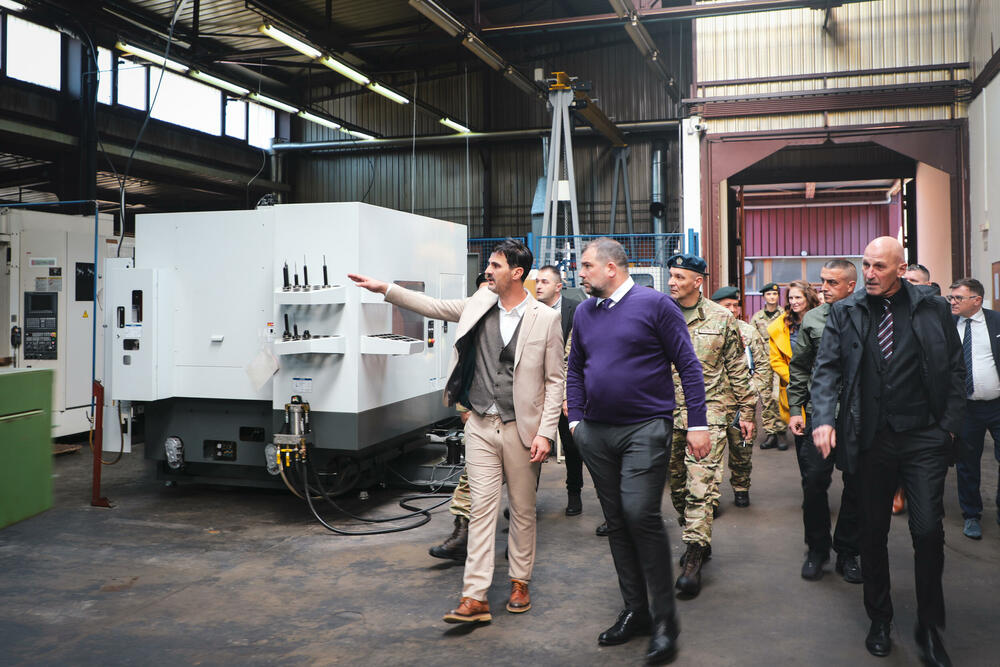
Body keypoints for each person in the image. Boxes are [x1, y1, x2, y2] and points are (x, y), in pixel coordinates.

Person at [348, 238, 565, 625]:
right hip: (480, 424)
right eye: (490, 265)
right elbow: (432, 306)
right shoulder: (479, 303)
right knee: (480, 509)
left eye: (496, 266)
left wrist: (545, 433)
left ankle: (520, 582)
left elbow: (555, 381)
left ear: (517, 273)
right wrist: (385, 289)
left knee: (522, 510)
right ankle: (475, 596)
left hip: (521, 429)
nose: (488, 271)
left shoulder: (545, 318)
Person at [811, 237, 964, 666]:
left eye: (879, 266)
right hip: (870, 438)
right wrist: (824, 417)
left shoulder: (933, 308)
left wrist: (949, 426)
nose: (870, 273)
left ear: (901, 267)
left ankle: (929, 628)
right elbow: (826, 369)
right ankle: (879, 618)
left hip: (923, 436)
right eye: (866, 265)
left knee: (928, 532)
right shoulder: (847, 311)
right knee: (871, 533)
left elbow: (955, 367)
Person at [567, 238, 707, 665]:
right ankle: (636, 610)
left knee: (640, 514)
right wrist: (576, 422)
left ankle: (665, 623)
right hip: (596, 433)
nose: (580, 273)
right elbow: (575, 369)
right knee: (616, 521)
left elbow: (688, 365)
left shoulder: (655, 306)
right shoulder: (584, 312)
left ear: (611, 268)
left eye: (587, 266)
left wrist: (698, 423)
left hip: (645, 428)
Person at [667, 257, 755, 597]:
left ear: (698, 282)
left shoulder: (721, 318)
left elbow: (737, 368)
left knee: (701, 486)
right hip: (666, 412)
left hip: (709, 412)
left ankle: (693, 556)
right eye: (671, 276)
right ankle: (698, 538)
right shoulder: (660, 314)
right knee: (678, 487)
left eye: (679, 276)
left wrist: (747, 412)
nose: (672, 282)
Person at [786, 260, 862, 583]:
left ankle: (847, 550)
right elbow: (801, 367)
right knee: (815, 482)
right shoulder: (814, 319)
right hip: (820, 413)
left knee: (857, 485)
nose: (824, 288)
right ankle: (817, 549)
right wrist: (795, 409)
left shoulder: (865, 315)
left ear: (851, 286)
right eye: (822, 281)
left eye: (832, 283)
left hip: (857, 416)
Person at [949, 278, 1000, 540]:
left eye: (958, 297)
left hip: (997, 405)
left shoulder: (996, 322)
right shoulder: (948, 325)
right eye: (951, 297)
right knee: (967, 464)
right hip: (966, 409)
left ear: (977, 300)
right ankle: (971, 515)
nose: (953, 302)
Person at [711, 286, 771, 507]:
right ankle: (711, 497)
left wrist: (751, 390)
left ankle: (741, 487)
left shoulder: (748, 332)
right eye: (727, 305)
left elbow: (763, 366)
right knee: (710, 455)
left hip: (740, 406)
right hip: (714, 404)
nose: (733, 309)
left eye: (735, 305)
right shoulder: (707, 332)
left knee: (742, 451)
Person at [534, 265, 586, 516]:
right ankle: (526, 499)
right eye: (537, 281)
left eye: (544, 282)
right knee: (532, 445)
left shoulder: (576, 310)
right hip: (537, 391)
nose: (538, 286)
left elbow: (577, 357)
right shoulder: (530, 311)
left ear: (558, 286)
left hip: (566, 389)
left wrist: (570, 395)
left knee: (572, 446)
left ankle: (574, 494)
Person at [767, 280, 819, 450]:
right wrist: (796, 379)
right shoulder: (780, 326)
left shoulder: (822, 319)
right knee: (802, 439)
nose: (794, 302)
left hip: (821, 384)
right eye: (791, 298)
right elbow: (776, 360)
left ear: (808, 298)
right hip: (796, 386)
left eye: (798, 297)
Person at [751, 282, 787, 449]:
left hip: (780, 360)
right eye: (769, 294)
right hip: (763, 363)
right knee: (766, 398)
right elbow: (752, 340)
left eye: (774, 294)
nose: (772, 297)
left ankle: (781, 433)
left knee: (779, 396)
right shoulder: (757, 317)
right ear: (764, 297)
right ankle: (770, 433)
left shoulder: (785, 315)